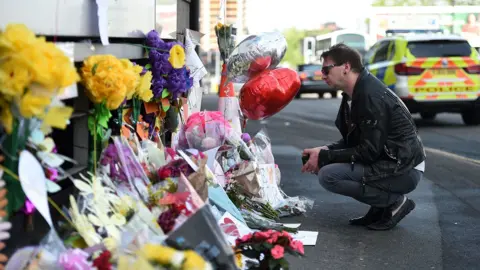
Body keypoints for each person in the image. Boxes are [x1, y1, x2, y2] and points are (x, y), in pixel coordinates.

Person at [301, 44, 426, 231]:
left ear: (346, 67)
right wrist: (323, 151)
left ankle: (394, 203)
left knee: (329, 175)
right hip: (390, 162)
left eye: (326, 69)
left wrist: (325, 157)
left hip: (404, 169)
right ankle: (379, 208)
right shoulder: (354, 94)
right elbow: (357, 142)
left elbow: (369, 152)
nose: (323, 75)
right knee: (327, 166)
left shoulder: (370, 96)